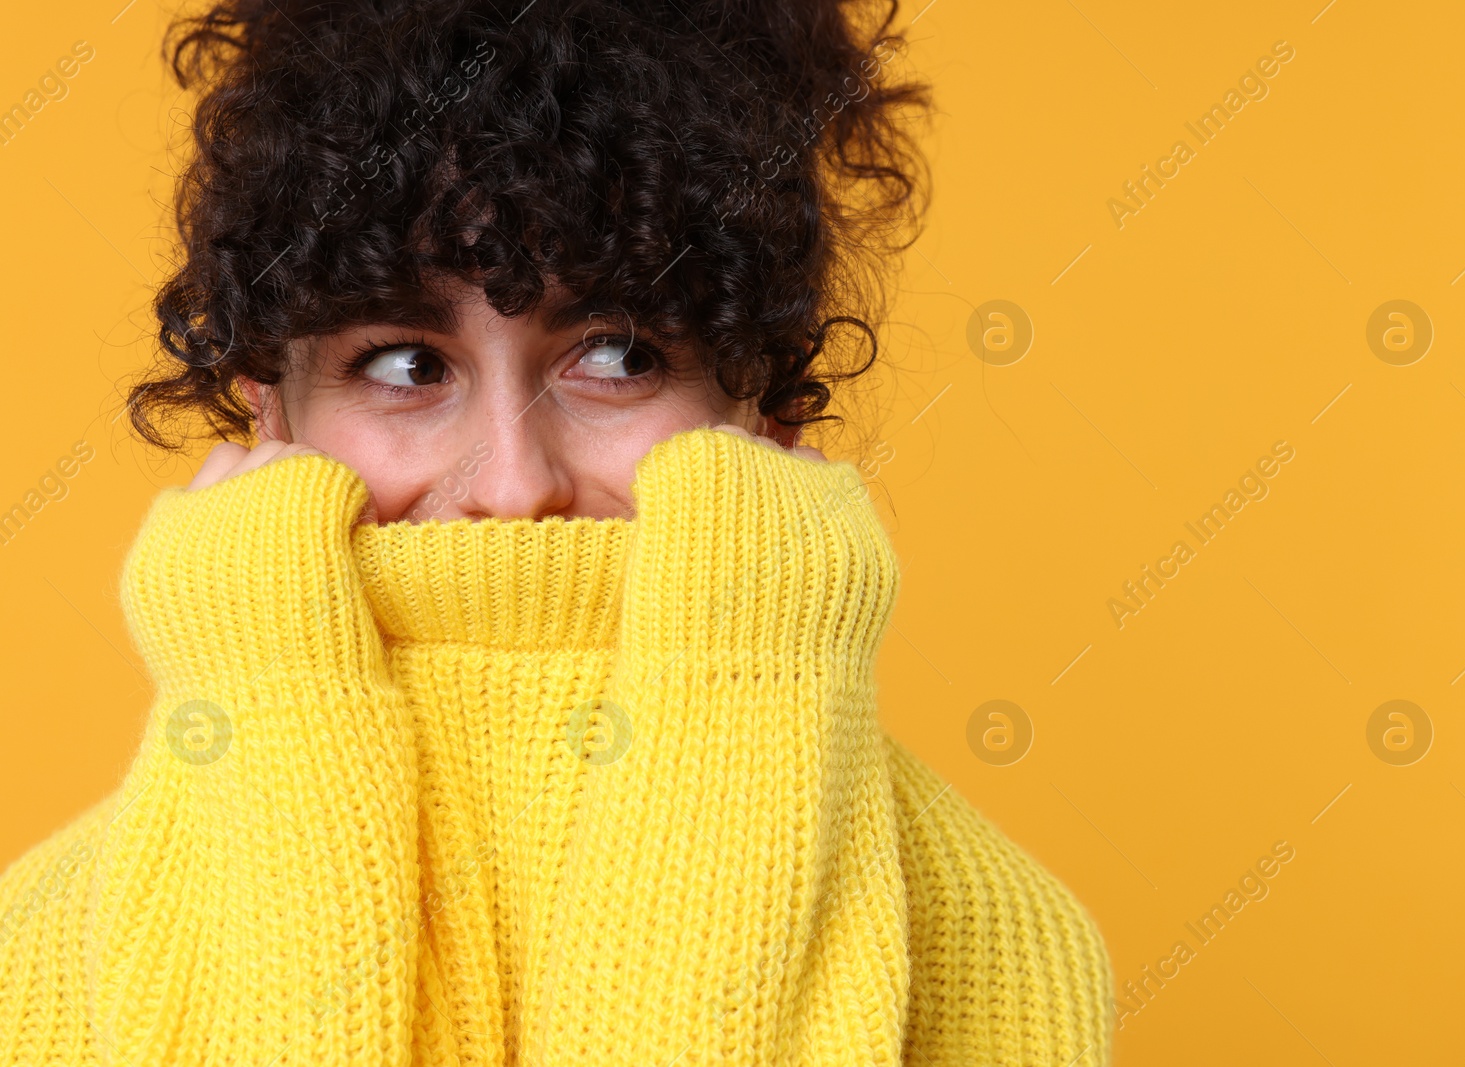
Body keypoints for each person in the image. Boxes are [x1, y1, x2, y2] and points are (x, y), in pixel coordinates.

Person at [0, 1, 1112, 1063]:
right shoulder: (41, 948)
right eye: (405, 365)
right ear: (270, 410)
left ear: (763, 399)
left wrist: (755, 677)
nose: (514, 483)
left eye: (619, 356)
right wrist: (261, 702)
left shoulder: (987, 933)